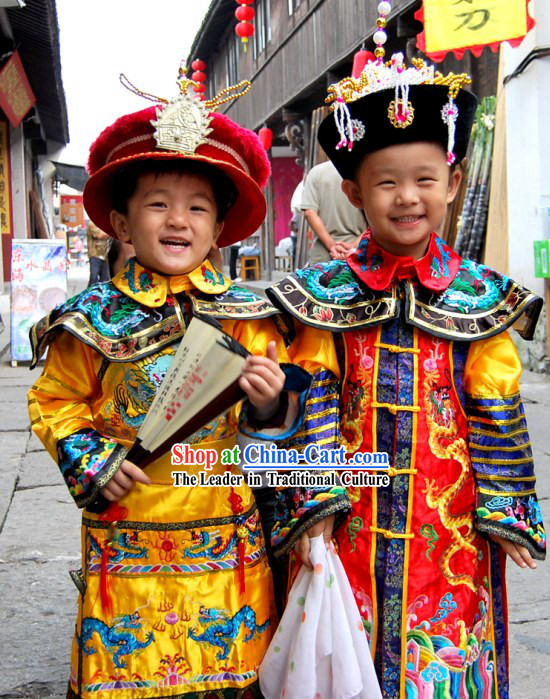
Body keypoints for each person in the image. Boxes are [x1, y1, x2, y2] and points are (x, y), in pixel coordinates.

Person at [27, 70, 346, 699]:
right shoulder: (90, 322)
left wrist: (272, 402)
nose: (179, 220)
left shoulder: (253, 319)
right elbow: (55, 401)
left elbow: (294, 422)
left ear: (220, 227)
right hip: (129, 533)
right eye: (158, 204)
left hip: (225, 537)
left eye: (197, 207)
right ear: (120, 223)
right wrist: (90, 457)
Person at [268, 51, 546, 698]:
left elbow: (494, 401)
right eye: (386, 181)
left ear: (451, 183)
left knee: (443, 662)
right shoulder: (321, 296)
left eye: (424, 178)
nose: (407, 197)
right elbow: (307, 399)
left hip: (447, 523)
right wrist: (309, 505)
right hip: (348, 520)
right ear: (354, 192)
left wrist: (506, 505)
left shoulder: (478, 297)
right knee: (347, 658)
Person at [300, 158, 366, 263]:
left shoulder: (316, 173)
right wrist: (353, 247)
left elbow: (309, 213)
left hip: (323, 255)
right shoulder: (365, 171)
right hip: (361, 252)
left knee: (320, 279)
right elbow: (379, 217)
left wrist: (332, 246)